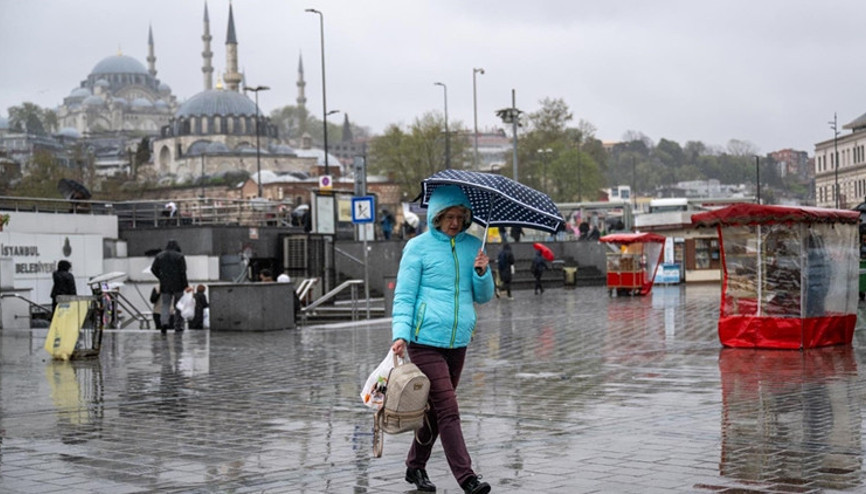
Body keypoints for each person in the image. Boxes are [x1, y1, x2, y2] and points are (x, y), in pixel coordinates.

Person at [390, 184, 494, 494]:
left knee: (436, 410)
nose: (454, 222)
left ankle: (415, 467)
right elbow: (405, 295)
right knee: (448, 408)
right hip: (425, 341)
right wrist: (400, 335)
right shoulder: (418, 247)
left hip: (458, 341)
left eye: (460, 216)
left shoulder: (473, 246)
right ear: (435, 217)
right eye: (448, 216)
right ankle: (467, 478)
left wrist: (481, 273)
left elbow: (484, 297)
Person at [150, 239, 189, 334]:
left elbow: (153, 269)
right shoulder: (180, 256)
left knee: (165, 305)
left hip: (165, 284)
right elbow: (183, 272)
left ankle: (164, 323)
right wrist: (185, 285)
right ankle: (178, 325)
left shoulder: (160, 256)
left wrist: (161, 277)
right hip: (178, 284)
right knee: (179, 305)